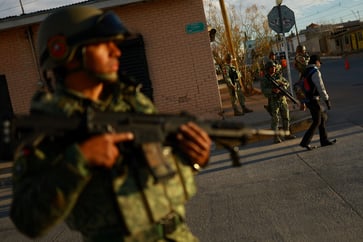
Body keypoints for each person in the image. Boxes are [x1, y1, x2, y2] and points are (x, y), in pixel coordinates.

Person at [10, 6, 212, 242]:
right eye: (103, 44)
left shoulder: (132, 101)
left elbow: (159, 167)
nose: (116, 51)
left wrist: (194, 159)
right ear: (64, 51)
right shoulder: (48, 125)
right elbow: (27, 220)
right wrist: (80, 160)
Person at [300, 55, 336, 150]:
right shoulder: (315, 72)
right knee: (317, 121)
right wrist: (327, 100)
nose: (320, 65)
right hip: (313, 99)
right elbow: (321, 87)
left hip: (308, 99)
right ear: (316, 62)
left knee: (322, 118)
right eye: (319, 63)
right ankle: (305, 142)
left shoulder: (305, 71)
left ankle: (324, 140)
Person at [261, 61, 296, 143]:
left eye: (274, 67)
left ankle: (287, 134)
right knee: (275, 119)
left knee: (286, 117)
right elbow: (264, 91)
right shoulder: (265, 79)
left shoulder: (278, 75)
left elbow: (287, 82)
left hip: (282, 99)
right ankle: (276, 137)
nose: (273, 69)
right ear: (267, 69)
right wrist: (272, 90)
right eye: (271, 67)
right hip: (273, 100)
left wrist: (283, 84)